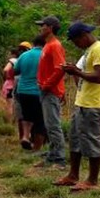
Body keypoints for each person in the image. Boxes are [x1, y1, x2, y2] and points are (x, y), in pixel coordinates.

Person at [54, 22, 100, 191]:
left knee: (91, 141)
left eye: (76, 41)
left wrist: (76, 72)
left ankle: (92, 180)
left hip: (92, 103)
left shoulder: (99, 49)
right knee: (75, 140)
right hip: (82, 101)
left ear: (84, 36)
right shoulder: (90, 50)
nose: (76, 45)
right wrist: (74, 70)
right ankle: (73, 175)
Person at [36, 16, 67, 169]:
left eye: (43, 25)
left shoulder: (54, 45)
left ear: (50, 28)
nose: (40, 28)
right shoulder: (48, 45)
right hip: (47, 90)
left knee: (53, 125)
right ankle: (52, 154)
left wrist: (47, 85)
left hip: (50, 91)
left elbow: (60, 68)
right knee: (49, 125)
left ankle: (60, 159)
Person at [14, 37, 46, 151]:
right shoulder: (44, 55)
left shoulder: (24, 55)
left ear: (33, 44)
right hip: (37, 91)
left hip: (22, 90)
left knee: (26, 116)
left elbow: (16, 70)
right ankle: (37, 148)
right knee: (40, 120)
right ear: (44, 44)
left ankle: (25, 137)